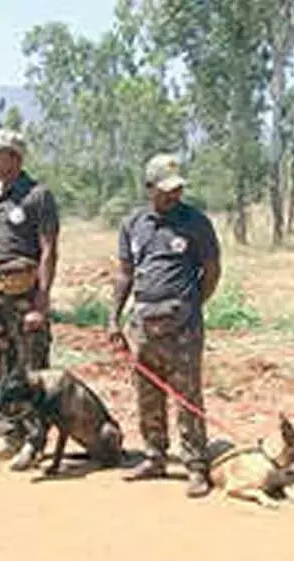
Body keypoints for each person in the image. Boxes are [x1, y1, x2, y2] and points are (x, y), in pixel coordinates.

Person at [107, 154, 222, 499]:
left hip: (183, 327)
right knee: (147, 394)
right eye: (166, 190)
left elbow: (212, 271)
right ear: (148, 188)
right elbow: (125, 273)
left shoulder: (195, 222)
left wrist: (192, 307)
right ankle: (155, 456)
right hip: (143, 326)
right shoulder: (133, 224)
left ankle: (195, 466)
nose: (174, 196)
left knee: (187, 397)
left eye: (177, 189)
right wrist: (114, 317)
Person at [0, 128, 60, 471]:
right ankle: (9, 435)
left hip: (25, 292)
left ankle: (35, 441)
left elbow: (48, 249)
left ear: (16, 158)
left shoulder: (37, 196)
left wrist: (42, 302)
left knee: (30, 370)